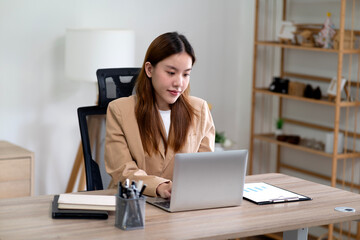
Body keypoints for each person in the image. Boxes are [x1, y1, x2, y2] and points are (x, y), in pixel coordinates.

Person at [105, 32, 215, 198]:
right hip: (133, 203)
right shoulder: (119, 110)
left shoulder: (199, 109)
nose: (179, 83)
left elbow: (205, 167)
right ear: (149, 69)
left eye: (186, 74)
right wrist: (158, 186)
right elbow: (122, 171)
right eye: (171, 73)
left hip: (182, 204)